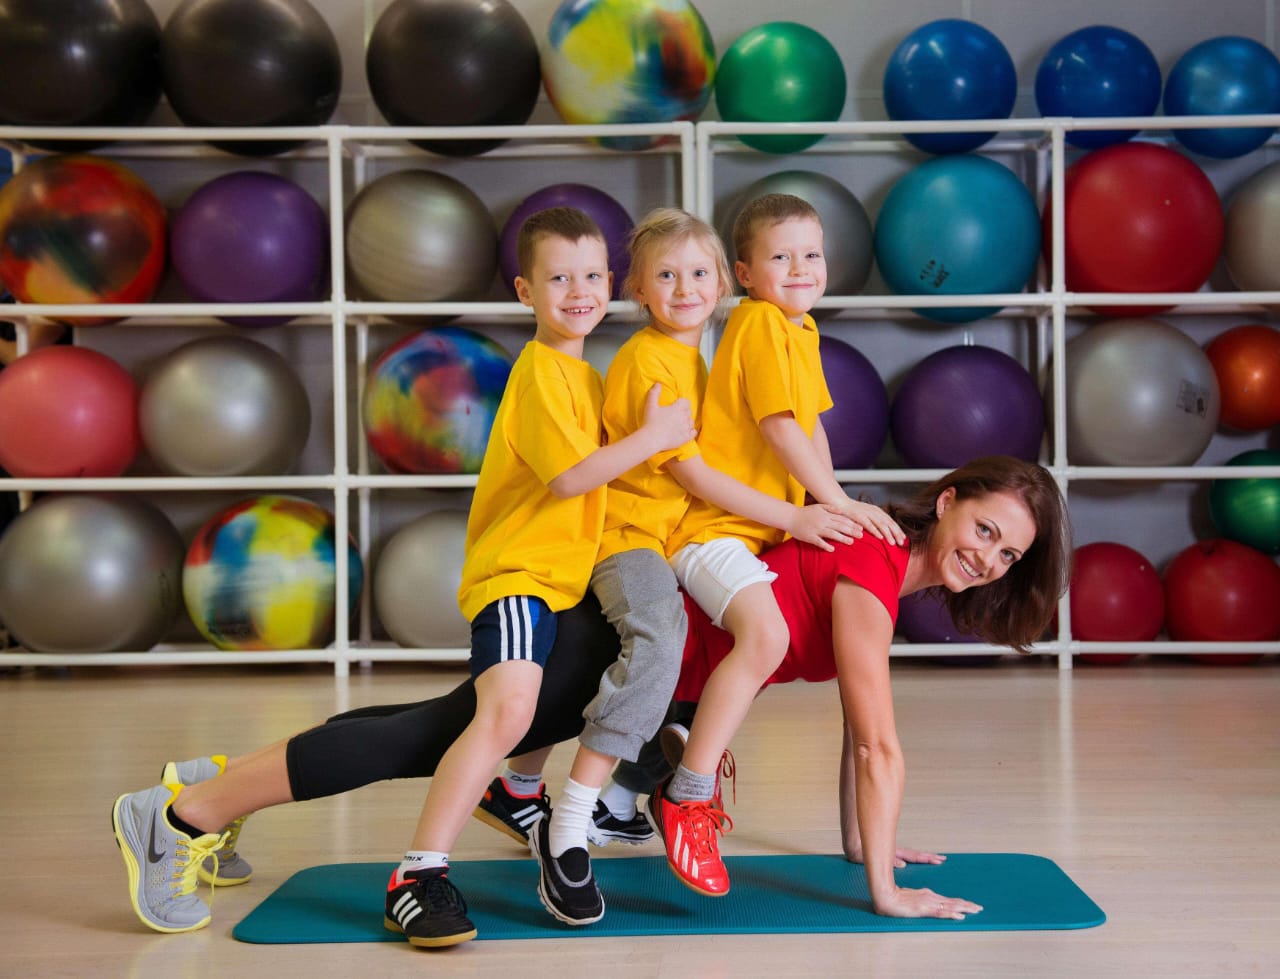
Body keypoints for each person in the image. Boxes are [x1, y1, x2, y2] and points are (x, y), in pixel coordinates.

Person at [108, 456, 1070, 939]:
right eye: (985, 527)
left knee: (433, 729)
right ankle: (178, 814)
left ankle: (214, 786)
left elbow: (846, 735)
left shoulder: (882, 572)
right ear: (947, 499)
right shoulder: (871, 563)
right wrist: (886, 891)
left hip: (636, 677)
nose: (986, 557)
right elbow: (874, 744)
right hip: (609, 653)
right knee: (429, 738)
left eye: (1008, 553)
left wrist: (869, 842)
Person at [111, 206, 697, 948]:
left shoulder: (582, 374)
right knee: (496, 719)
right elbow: (573, 479)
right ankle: (219, 827)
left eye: (590, 276)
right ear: (524, 290)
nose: (578, 290)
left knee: (438, 729)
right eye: (558, 277)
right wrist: (655, 436)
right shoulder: (545, 372)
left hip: (560, 585)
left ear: (611, 285)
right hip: (520, 579)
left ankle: (215, 783)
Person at [483, 208, 862, 927]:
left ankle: (622, 791)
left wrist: (820, 503)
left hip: (667, 536)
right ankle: (570, 822)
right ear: (640, 289)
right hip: (628, 535)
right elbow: (687, 471)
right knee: (658, 633)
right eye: (665, 275)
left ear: (723, 281)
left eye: (697, 273)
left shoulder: (706, 356)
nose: (685, 286)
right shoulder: (647, 361)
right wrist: (804, 513)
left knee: (689, 656)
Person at [652, 192, 904, 897]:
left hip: (752, 535)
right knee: (764, 638)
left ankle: (660, 755)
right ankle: (687, 795)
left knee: (755, 645)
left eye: (812, 254)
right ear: (744, 272)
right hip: (712, 530)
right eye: (780, 257)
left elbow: (813, 428)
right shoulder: (761, 322)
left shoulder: (801, 328)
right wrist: (831, 502)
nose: (801, 268)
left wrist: (842, 498)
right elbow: (779, 429)